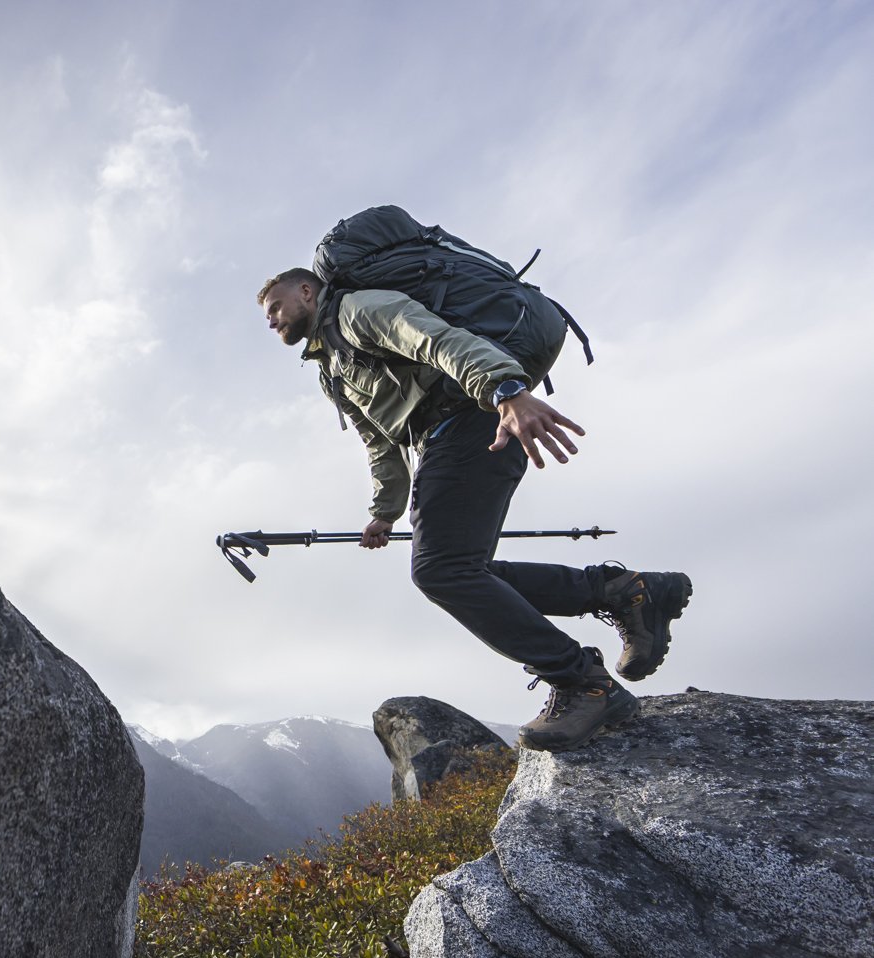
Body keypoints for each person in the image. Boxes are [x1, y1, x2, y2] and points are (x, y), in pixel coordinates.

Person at [255, 267, 691, 751]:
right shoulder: (330, 367)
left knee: (442, 571)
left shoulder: (358, 311)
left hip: (477, 419)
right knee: (465, 570)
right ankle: (623, 591)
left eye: (275, 307)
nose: (272, 320)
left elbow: (437, 340)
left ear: (307, 291)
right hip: (441, 441)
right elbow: (378, 442)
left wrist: (506, 390)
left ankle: (583, 682)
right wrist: (385, 511)